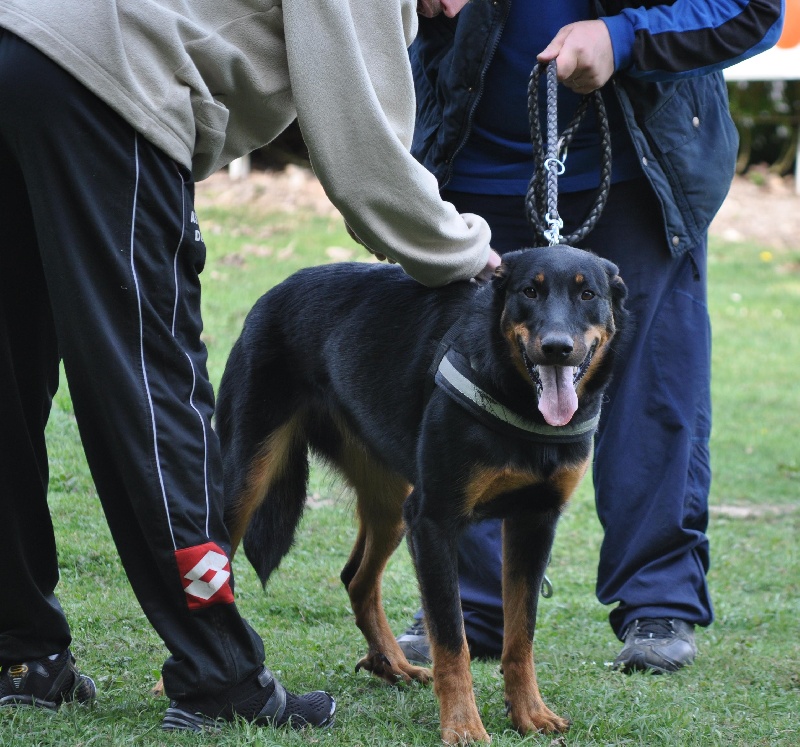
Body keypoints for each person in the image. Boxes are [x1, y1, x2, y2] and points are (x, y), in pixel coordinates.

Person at [0, 0, 499, 731]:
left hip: (18, 46)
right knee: (151, 388)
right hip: (106, 89)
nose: (457, 8)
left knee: (8, 374)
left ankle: (20, 651)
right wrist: (462, 251)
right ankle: (218, 672)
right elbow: (364, 158)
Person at [396, 0, 783, 673]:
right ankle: (465, 601)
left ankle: (657, 600)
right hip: (467, 173)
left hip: (639, 177)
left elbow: (754, 9)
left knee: (654, 392)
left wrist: (623, 37)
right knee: (458, 401)